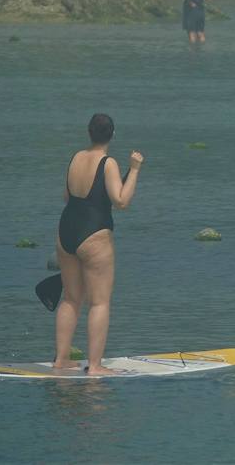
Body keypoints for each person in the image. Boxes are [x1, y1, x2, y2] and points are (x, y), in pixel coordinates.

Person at [53, 113, 144, 375]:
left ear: (89, 133)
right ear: (112, 135)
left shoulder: (76, 158)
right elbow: (121, 201)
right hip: (94, 234)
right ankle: (94, 366)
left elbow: (66, 195)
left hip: (65, 230)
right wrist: (135, 170)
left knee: (70, 298)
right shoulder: (109, 163)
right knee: (100, 302)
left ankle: (61, 359)